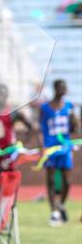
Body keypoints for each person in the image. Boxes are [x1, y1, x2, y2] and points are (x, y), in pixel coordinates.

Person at [39, 80, 78, 226]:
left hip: (64, 148)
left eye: (65, 87)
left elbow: (75, 130)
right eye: (62, 87)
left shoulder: (69, 107)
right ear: (56, 88)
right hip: (50, 147)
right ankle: (53, 211)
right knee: (50, 179)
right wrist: (41, 146)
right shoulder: (45, 108)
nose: (64, 89)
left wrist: (75, 122)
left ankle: (60, 204)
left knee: (66, 181)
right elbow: (40, 128)